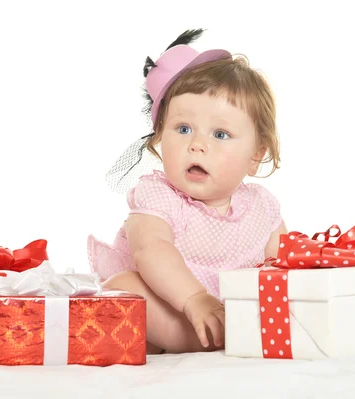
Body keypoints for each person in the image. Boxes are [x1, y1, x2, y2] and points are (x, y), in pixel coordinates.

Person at [87, 29, 287, 354]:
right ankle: (189, 339)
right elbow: (150, 250)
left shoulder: (262, 208)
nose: (197, 145)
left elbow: (283, 266)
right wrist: (194, 298)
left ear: (256, 155)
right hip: (173, 302)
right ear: (159, 138)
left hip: (235, 309)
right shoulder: (157, 196)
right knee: (122, 289)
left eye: (220, 134)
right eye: (183, 129)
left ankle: (224, 333)